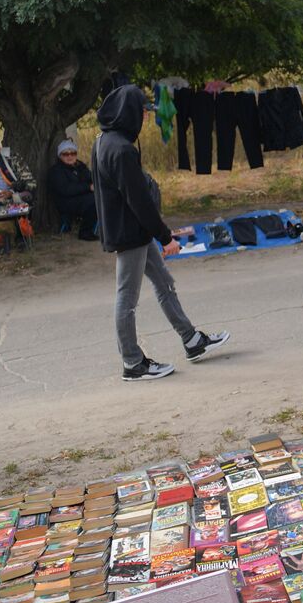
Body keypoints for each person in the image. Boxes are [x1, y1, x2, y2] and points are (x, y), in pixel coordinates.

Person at [92, 85, 229, 382]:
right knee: (126, 299)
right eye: (143, 111)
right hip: (130, 233)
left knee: (164, 283)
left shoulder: (105, 140)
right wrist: (166, 237)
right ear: (130, 111)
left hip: (134, 230)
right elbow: (138, 200)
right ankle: (132, 362)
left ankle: (192, 339)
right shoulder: (121, 149)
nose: (145, 117)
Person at [47, 139, 99, 241]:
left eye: (73, 153)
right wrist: (88, 187)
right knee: (94, 200)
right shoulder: (56, 171)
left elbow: (91, 177)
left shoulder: (80, 166)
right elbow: (66, 190)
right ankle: (85, 232)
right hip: (65, 202)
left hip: (80, 198)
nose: (70, 156)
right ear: (60, 156)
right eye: (66, 154)